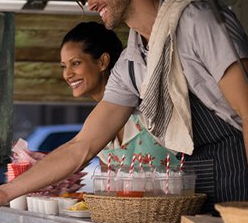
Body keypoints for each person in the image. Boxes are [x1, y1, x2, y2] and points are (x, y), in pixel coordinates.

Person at [0, 0, 248, 214]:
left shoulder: (199, 21)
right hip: (197, 179)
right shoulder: (132, 62)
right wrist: (4, 192)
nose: (90, 4)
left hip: (243, 170)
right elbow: (82, 146)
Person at [60, 21, 179, 170]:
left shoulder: (147, 106)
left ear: (103, 62)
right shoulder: (96, 125)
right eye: (64, 66)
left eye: (76, 63)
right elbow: (108, 189)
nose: (67, 74)